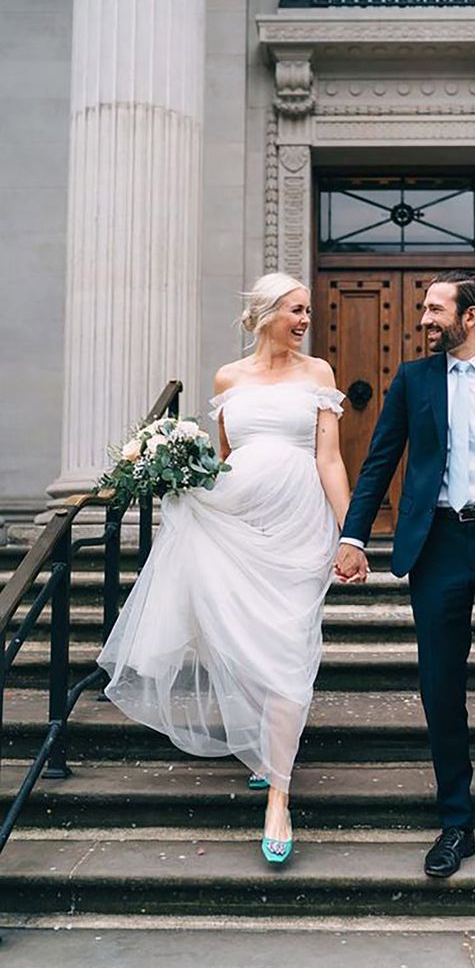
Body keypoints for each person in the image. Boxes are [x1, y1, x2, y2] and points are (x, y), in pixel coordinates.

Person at [98, 273, 351, 865]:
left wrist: (352, 532)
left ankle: (279, 797)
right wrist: (174, 471)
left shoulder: (319, 375)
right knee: (246, 641)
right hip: (238, 521)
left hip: (299, 525)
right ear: (265, 314)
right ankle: (270, 753)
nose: (305, 319)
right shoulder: (227, 380)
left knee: (290, 646)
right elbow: (227, 460)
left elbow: (329, 456)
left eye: (308, 310)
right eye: (296, 309)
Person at [335, 270, 475, 878]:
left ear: (471, 316)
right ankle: (456, 822)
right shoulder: (413, 380)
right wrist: (353, 534)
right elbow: (381, 458)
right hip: (436, 542)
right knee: (441, 685)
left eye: (435, 309)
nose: (424, 319)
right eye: (423, 310)